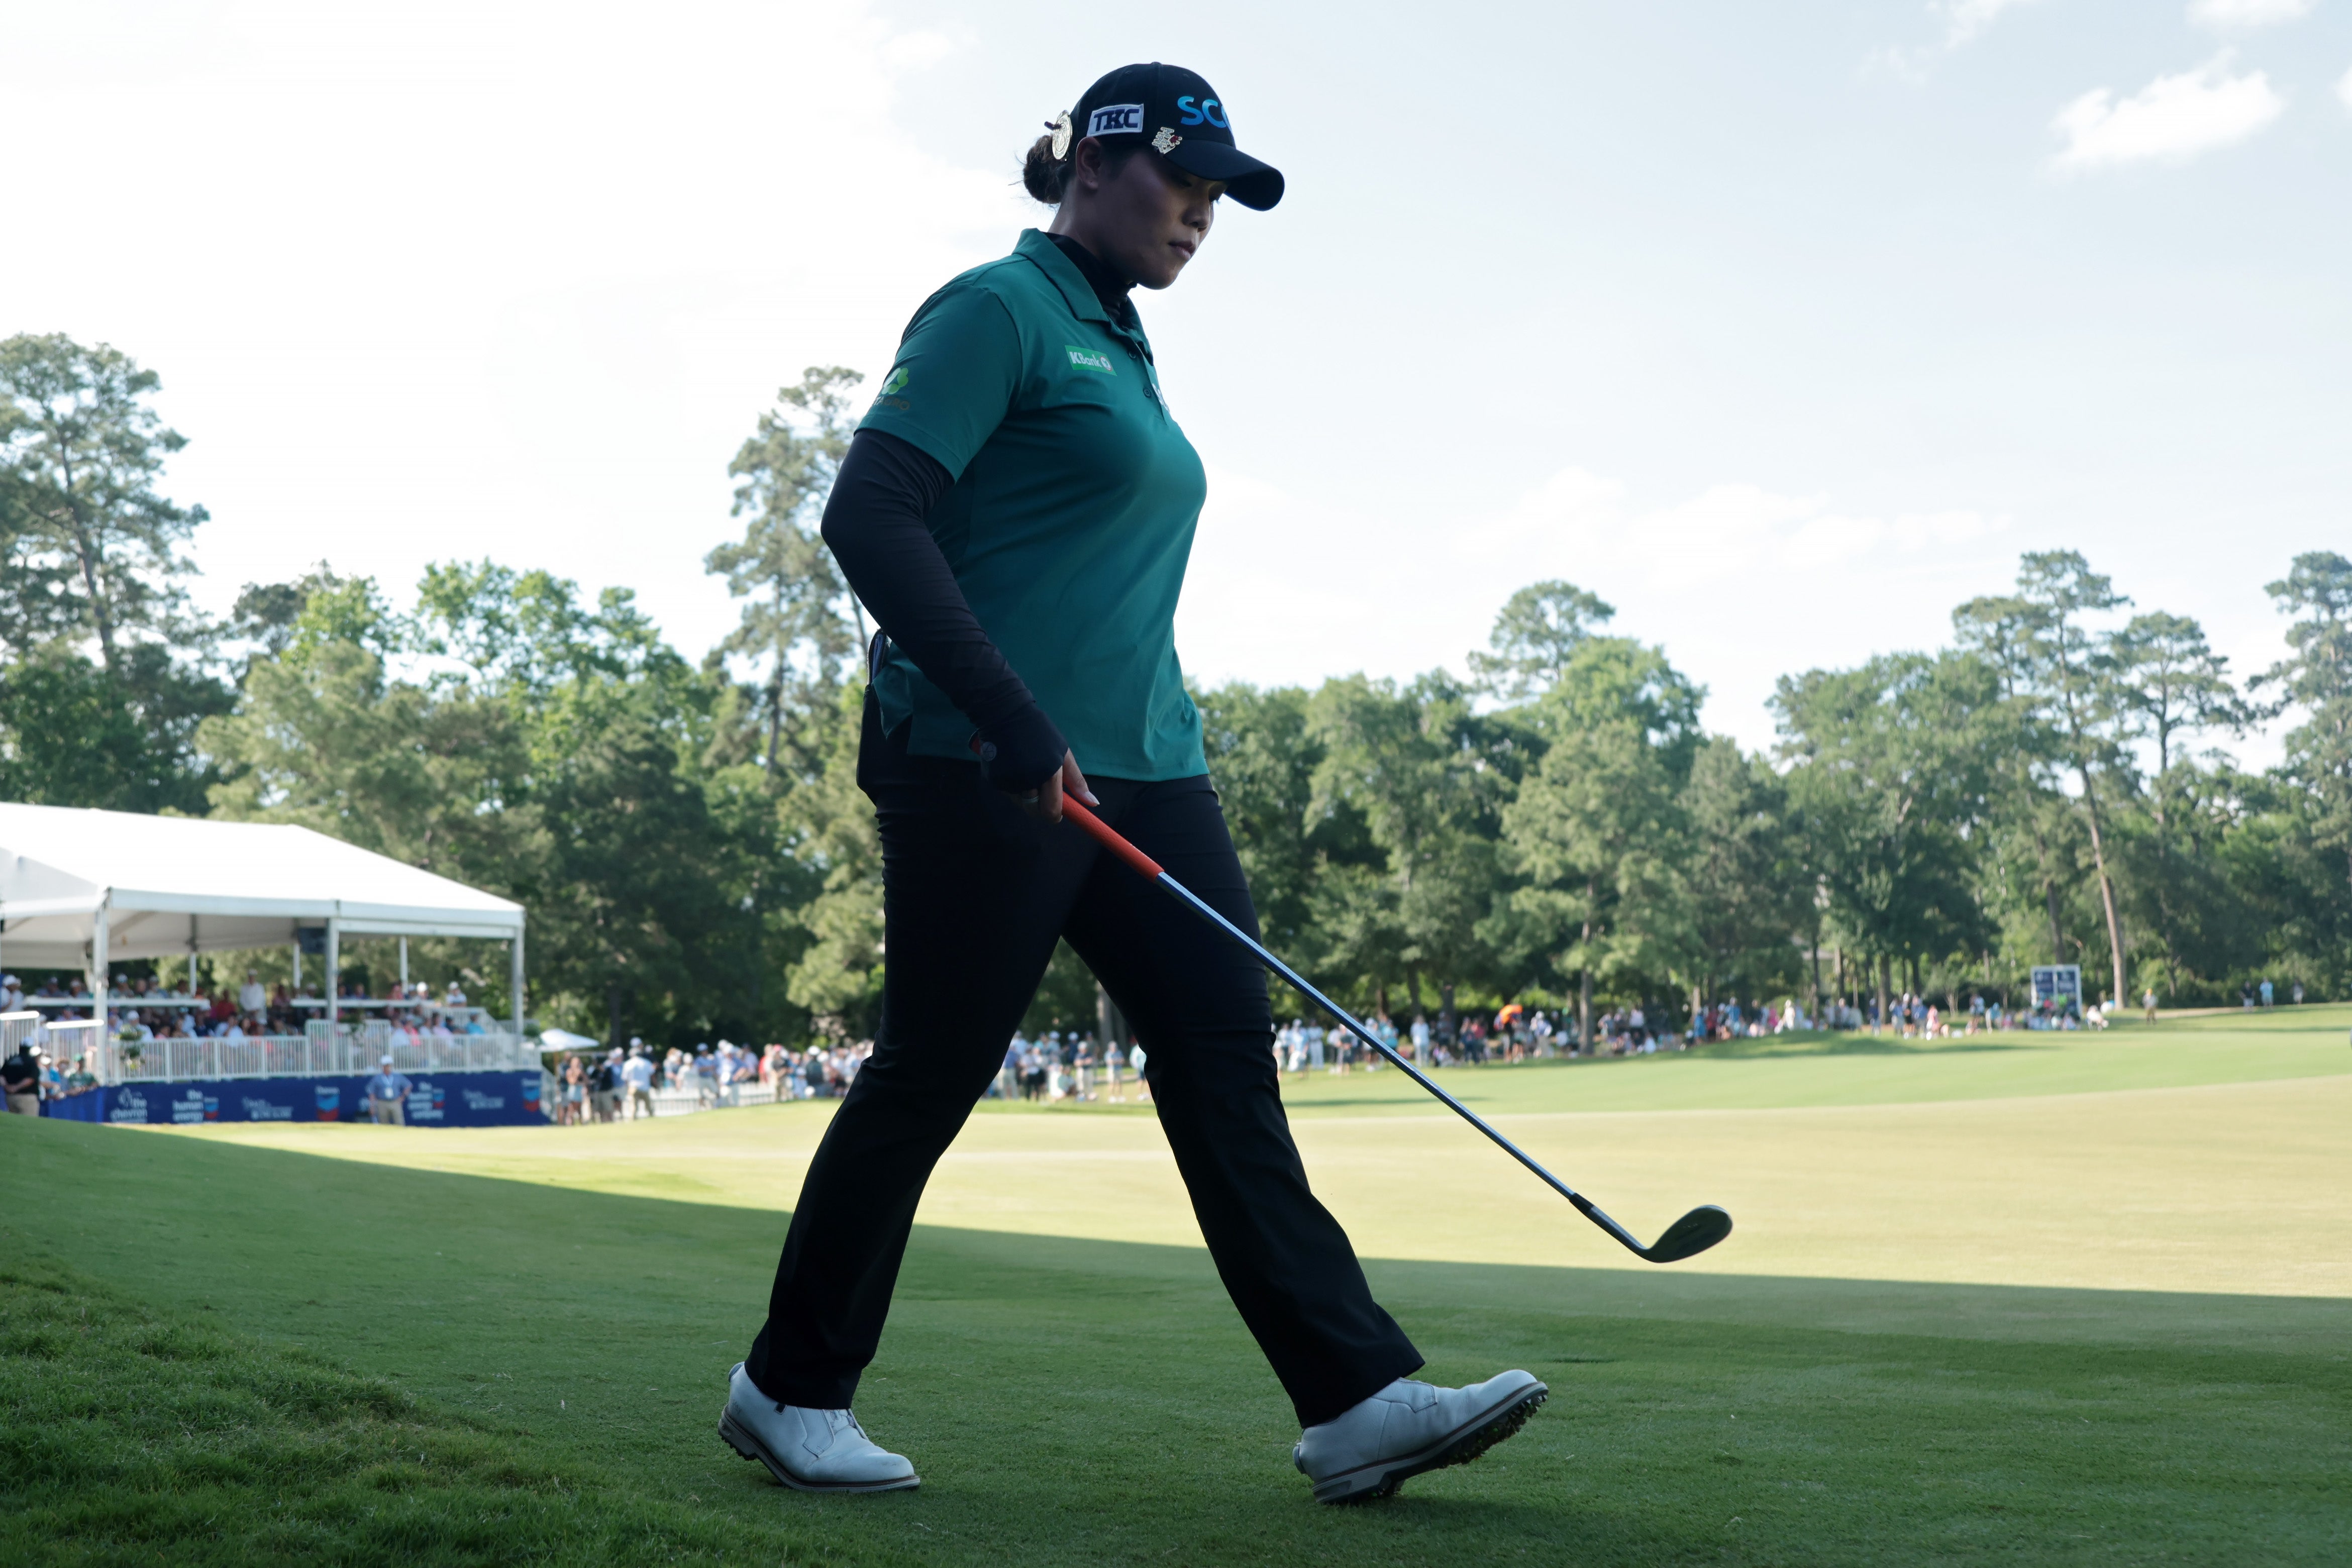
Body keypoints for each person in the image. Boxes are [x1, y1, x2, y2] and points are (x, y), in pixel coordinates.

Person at [718, 65, 1539, 1506]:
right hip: (993, 765)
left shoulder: (1125, 342)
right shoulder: (1000, 310)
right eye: (1183, 181)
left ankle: (1353, 1400)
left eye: (1219, 196)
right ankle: (788, 1390)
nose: (1202, 215)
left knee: (1226, 1055)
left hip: (1151, 768)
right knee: (933, 1071)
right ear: (1094, 165)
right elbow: (870, 510)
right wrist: (1013, 719)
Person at [364, 1055, 412, 1125]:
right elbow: (372, 1093)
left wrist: (402, 1097)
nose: (387, 1067)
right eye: (385, 1065)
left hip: (395, 1102)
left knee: (399, 1123)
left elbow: (409, 1085)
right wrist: (372, 1106)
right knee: (384, 1124)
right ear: (382, 1066)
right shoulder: (377, 1078)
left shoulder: (397, 1076)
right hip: (382, 1102)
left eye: (388, 1065)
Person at [3, 1046, 38, 1116]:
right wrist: (16, 1088)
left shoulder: (11, 1060)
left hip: (10, 1097)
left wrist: (7, 1087)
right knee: (29, 1123)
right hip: (27, 1098)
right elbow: (31, 1079)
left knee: (13, 1123)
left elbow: (2, 1076)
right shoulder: (31, 1061)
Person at [624, 1047, 656, 1119]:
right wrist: (656, 1085)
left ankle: (633, 1119)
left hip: (633, 1087)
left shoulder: (628, 1063)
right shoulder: (647, 1062)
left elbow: (625, 1079)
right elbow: (652, 1075)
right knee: (649, 1106)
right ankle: (652, 1116)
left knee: (633, 1106)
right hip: (645, 1087)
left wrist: (627, 1088)